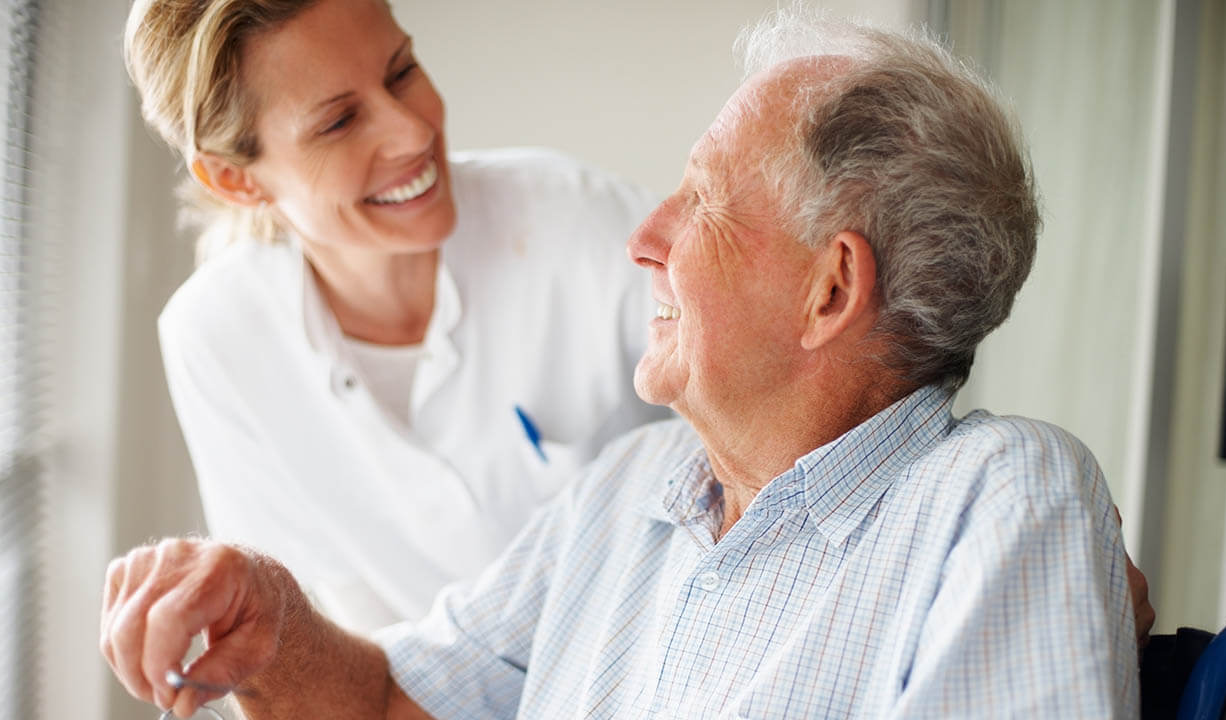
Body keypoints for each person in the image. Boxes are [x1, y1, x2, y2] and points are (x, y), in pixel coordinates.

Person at [102, 10, 1146, 718]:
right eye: (336, 116)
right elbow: (392, 700)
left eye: (700, 201)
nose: (645, 235)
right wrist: (274, 628)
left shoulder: (999, 501)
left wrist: (1067, 563)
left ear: (828, 289)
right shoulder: (627, 492)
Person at [125, 0, 669, 632]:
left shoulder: (575, 218)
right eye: (339, 122)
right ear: (235, 180)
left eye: (402, 70)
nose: (413, 132)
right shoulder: (216, 338)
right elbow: (309, 631)